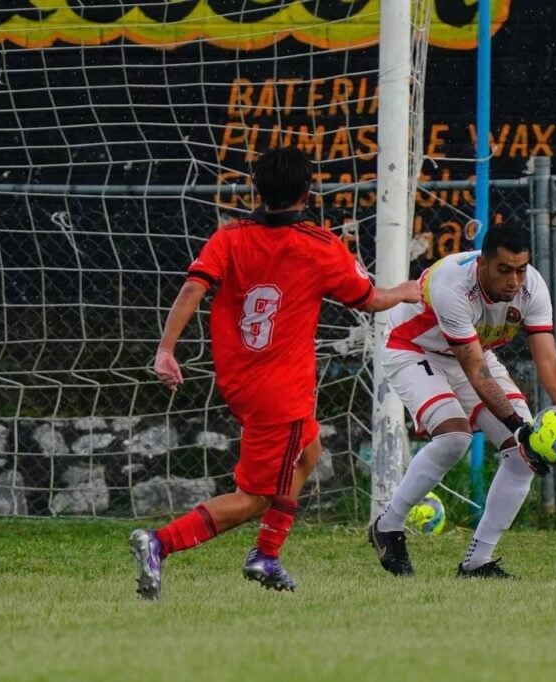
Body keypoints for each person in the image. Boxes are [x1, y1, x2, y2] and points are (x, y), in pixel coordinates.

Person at [130, 146, 421, 599]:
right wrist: (407, 289)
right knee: (255, 497)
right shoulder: (320, 247)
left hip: (239, 380)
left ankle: (267, 554)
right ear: (308, 193)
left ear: (256, 189)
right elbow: (370, 300)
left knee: (309, 452)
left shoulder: (229, 237)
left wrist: (166, 350)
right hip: (278, 391)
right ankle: (159, 544)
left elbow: (192, 287)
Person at [368, 223, 556, 578]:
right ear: (483, 265)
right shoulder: (452, 284)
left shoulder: (532, 287)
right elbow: (476, 371)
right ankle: (388, 525)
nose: (514, 281)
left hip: (474, 354)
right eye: (504, 270)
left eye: (520, 269)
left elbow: (548, 362)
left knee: (524, 458)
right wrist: (519, 428)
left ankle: (476, 562)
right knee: (454, 437)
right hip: (414, 349)